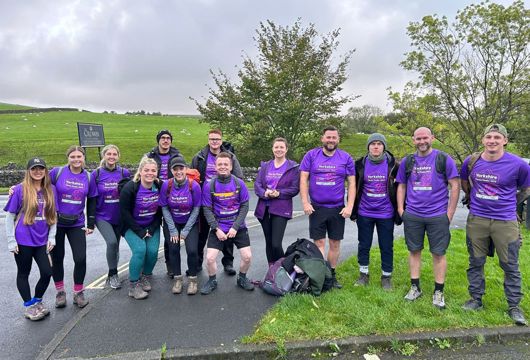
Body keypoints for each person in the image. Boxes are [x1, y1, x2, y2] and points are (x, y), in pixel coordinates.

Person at [460, 124, 530, 325]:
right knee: (475, 261)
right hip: (477, 220)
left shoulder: (518, 165)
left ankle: (514, 306)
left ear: (505, 141)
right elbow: (465, 182)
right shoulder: (471, 161)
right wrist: (471, 197)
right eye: (489, 137)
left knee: (510, 265)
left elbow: (526, 189)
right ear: (483, 140)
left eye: (497, 137)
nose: (492, 141)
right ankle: (475, 299)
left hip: (505, 221)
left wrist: (510, 203)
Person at [396, 127, 459, 309]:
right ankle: (415, 287)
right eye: (418, 138)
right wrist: (401, 209)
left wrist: (449, 213)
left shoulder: (443, 159)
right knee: (414, 251)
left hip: (437, 215)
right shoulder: (408, 161)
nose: (422, 141)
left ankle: (438, 292)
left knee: (438, 253)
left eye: (425, 138)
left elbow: (455, 185)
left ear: (432, 138)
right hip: (413, 215)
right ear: (413, 139)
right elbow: (401, 185)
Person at [300, 125, 356, 289]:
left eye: (334, 137)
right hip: (316, 207)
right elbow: (303, 180)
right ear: (322, 138)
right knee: (318, 243)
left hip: (337, 208)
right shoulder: (311, 155)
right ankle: (319, 276)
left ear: (338, 139)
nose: (331, 140)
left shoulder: (346, 158)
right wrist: (305, 202)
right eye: (328, 137)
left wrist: (350, 206)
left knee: (335, 244)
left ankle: (331, 276)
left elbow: (352, 183)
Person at [4, 158, 57, 321]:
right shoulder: (20, 190)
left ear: (45, 171)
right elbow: (10, 216)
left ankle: (37, 300)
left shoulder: (51, 189)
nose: (38, 171)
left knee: (47, 272)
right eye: (34, 169)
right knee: (23, 273)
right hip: (23, 240)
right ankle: (29, 306)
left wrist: (52, 237)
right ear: (29, 171)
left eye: (41, 168)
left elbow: (54, 215)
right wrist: (11, 241)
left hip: (41, 240)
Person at [49, 146, 98, 308]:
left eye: (79, 156)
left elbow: (92, 201)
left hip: (76, 223)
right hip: (56, 223)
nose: (76, 160)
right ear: (67, 158)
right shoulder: (57, 172)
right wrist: (17, 188)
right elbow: (37, 183)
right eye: (73, 157)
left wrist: (90, 223)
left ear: (84, 158)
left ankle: (78, 292)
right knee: (57, 258)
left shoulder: (89, 177)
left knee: (80, 258)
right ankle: (60, 293)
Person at [199, 152, 254, 295]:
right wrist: (216, 228)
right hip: (219, 227)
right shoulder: (209, 185)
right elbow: (207, 209)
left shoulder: (239, 183)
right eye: (220, 164)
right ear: (215, 167)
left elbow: (244, 206)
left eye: (226, 164)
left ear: (231, 166)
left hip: (238, 227)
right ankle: (212, 280)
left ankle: (242, 278)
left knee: (247, 257)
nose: (223, 167)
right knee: (210, 258)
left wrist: (235, 227)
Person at [191, 129, 243, 276]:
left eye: (217, 139)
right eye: (212, 139)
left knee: (227, 234)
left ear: (221, 140)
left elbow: (238, 177)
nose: (214, 141)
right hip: (205, 202)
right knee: (202, 235)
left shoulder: (231, 157)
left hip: (226, 201)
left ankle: (228, 263)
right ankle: (198, 262)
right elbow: (193, 179)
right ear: (208, 140)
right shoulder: (200, 157)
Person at [351, 133, 400, 290]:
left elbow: (401, 188)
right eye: (373, 144)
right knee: (364, 244)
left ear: (384, 146)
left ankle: (386, 277)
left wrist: (400, 209)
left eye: (379, 143)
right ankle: (363, 274)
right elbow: (353, 187)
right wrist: (352, 209)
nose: (376, 146)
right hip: (365, 212)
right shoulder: (359, 164)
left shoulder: (394, 165)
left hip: (386, 213)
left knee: (386, 245)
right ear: (368, 147)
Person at [119, 157, 162, 300]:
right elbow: (124, 212)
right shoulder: (130, 188)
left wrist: (152, 228)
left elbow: (160, 211)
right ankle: (133, 285)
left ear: (157, 172)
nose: (150, 173)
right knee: (140, 250)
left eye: (153, 170)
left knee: (152, 251)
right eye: (146, 170)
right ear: (141, 171)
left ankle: (145, 276)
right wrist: (140, 231)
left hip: (151, 225)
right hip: (131, 226)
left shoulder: (159, 186)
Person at [254, 137, 300, 266]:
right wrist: (265, 193)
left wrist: (279, 193)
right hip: (264, 208)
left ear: (286, 149)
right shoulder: (265, 166)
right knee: (269, 242)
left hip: (281, 208)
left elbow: (295, 189)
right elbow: (257, 184)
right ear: (272, 149)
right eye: (276, 147)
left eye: (281, 147)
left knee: (276, 243)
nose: (279, 149)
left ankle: (283, 270)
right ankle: (271, 271)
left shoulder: (293, 167)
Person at [90, 145, 130, 289]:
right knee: (112, 243)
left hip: (119, 216)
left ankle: (112, 273)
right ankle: (113, 274)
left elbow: (130, 193)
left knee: (116, 247)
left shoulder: (124, 173)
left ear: (118, 156)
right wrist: (90, 220)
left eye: (114, 154)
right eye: (109, 154)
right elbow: (92, 198)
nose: (111, 157)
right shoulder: (97, 174)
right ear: (104, 156)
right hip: (102, 216)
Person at [160, 157, 202, 295]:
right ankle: (177, 279)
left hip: (190, 222)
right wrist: (172, 230)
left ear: (186, 169)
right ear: (171, 170)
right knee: (173, 249)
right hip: (172, 222)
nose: (178, 172)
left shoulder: (193, 185)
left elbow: (196, 209)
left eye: (181, 168)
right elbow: (164, 208)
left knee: (192, 251)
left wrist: (186, 230)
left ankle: (192, 280)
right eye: (175, 169)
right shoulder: (167, 185)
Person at [145, 129, 183, 278]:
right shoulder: (151, 156)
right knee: (150, 229)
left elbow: (181, 174)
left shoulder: (177, 155)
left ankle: (171, 265)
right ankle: (146, 266)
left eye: (168, 138)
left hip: (170, 196)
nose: (166, 140)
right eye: (163, 138)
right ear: (158, 140)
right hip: (153, 196)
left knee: (170, 235)